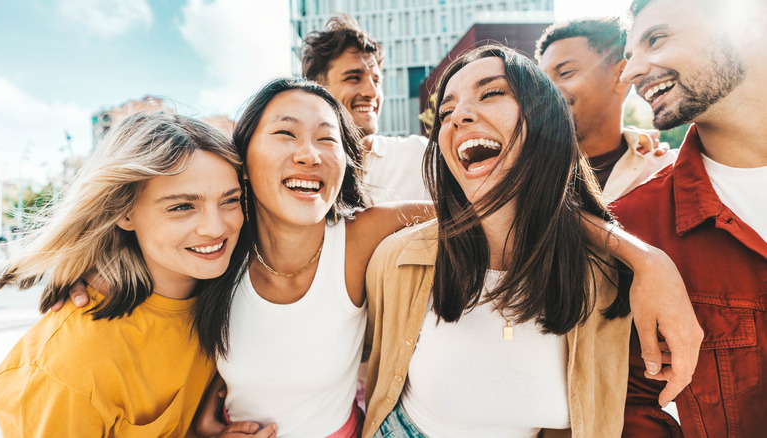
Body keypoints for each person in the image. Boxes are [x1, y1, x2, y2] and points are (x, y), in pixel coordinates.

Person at [364, 44, 637, 437]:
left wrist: (648, 260)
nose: (459, 115)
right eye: (446, 111)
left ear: (545, 121)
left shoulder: (607, 277)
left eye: (491, 93)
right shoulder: (398, 259)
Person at [0, 113, 257, 437]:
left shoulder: (229, 296)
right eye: (182, 206)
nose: (216, 227)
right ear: (123, 212)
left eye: (230, 201)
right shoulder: (68, 366)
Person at [198, 77, 433, 438]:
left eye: (327, 139)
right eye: (285, 134)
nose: (310, 154)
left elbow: (481, 214)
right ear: (242, 160)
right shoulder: (217, 247)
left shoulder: (358, 237)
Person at [613, 0, 767, 436]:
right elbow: (635, 408)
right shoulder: (634, 228)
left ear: (749, 23)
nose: (629, 74)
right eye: (628, 57)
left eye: (656, 39)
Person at [536, 17, 677, 203]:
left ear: (620, 76)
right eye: (541, 82)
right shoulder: (520, 176)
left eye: (564, 73)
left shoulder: (668, 172)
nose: (547, 91)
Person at [302, 13, 430, 203]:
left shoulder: (421, 157)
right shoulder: (302, 171)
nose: (372, 92)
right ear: (318, 89)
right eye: (354, 78)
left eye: (377, 81)